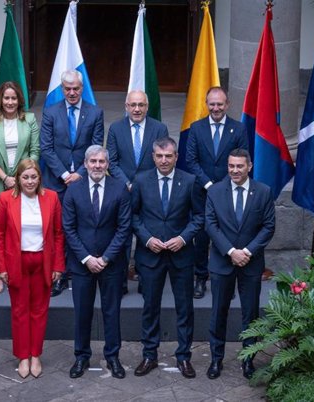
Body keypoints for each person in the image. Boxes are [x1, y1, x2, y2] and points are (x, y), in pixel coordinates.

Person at [130, 137, 204, 378]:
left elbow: (199, 217)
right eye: (160, 156)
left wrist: (183, 238)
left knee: (184, 308)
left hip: (181, 255)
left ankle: (184, 357)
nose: (164, 160)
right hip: (150, 255)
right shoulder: (141, 181)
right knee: (150, 307)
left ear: (175, 157)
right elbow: (133, 216)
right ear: (153, 157)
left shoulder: (190, 180)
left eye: (168, 156)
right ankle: (149, 355)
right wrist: (146, 238)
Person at [204, 148, 275, 380]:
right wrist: (231, 251)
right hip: (222, 262)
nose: (235, 170)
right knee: (218, 312)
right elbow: (211, 225)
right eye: (231, 166)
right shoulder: (214, 191)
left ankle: (248, 360)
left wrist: (246, 251)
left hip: (251, 263)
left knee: (250, 314)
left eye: (239, 166)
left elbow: (268, 227)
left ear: (249, 166)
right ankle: (216, 359)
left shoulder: (263, 192)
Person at [62, 145, 131, 379]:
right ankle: (81, 356)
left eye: (102, 161)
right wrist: (88, 258)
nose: (97, 166)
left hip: (111, 264)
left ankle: (112, 356)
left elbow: (124, 229)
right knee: (82, 312)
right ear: (86, 163)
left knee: (112, 311)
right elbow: (68, 229)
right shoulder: (73, 190)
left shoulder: (120, 188)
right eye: (93, 161)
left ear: (108, 164)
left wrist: (106, 258)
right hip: (82, 264)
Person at [0, 159, 65, 379]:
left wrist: (58, 266)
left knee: (39, 311)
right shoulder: (6, 199)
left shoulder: (51, 197)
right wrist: (1, 268)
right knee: (19, 311)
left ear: (39, 178)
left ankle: (36, 354)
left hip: (43, 261)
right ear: (18, 178)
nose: (30, 181)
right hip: (17, 262)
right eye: (25, 177)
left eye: (34, 177)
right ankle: (23, 356)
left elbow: (58, 234)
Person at [40, 69, 104, 297]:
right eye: (67, 89)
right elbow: (46, 148)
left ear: (82, 88)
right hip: (56, 184)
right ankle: (59, 274)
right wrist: (64, 175)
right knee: (57, 230)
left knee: (81, 227)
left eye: (76, 88)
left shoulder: (95, 112)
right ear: (61, 88)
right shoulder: (50, 112)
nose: (72, 92)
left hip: (84, 181)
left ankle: (80, 271)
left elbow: (96, 146)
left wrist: (79, 173)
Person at [185, 86, 248, 299]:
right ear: (206, 104)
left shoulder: (238, 129)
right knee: (202, 238)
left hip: (230, 194)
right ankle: (200, 279)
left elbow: (242, 159)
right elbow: (191, 161)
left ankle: (226, 283)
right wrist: (210, 185)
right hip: (202, 194)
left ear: (227, 105)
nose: (216, 108)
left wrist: (223, 187)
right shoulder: (196, 128)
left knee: (228, 237)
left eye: (220, 104)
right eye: (212, 104)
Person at [106, 89, 170, 294]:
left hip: (149, 192)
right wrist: (127, 183)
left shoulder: (159, 128)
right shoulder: (116, 128)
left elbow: (161, 161)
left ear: (147, 107)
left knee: (146, 236)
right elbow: (112, 162)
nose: (137, 109)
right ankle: (121, 283)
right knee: (122, 237)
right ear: (126, 107)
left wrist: (142, 184)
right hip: (123, 192)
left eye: (141, 105)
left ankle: (146, 281)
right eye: (133, 105)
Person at [0, 81, 40, 294]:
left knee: (20, 228)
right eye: (6, 98)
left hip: (25, 186)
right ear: (0, 100)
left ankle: (19, 269)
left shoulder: (30, 119)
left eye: (13, 98)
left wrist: (21, 177)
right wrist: (5, 177)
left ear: (19, 100)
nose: (10, 102)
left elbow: (35, 151)